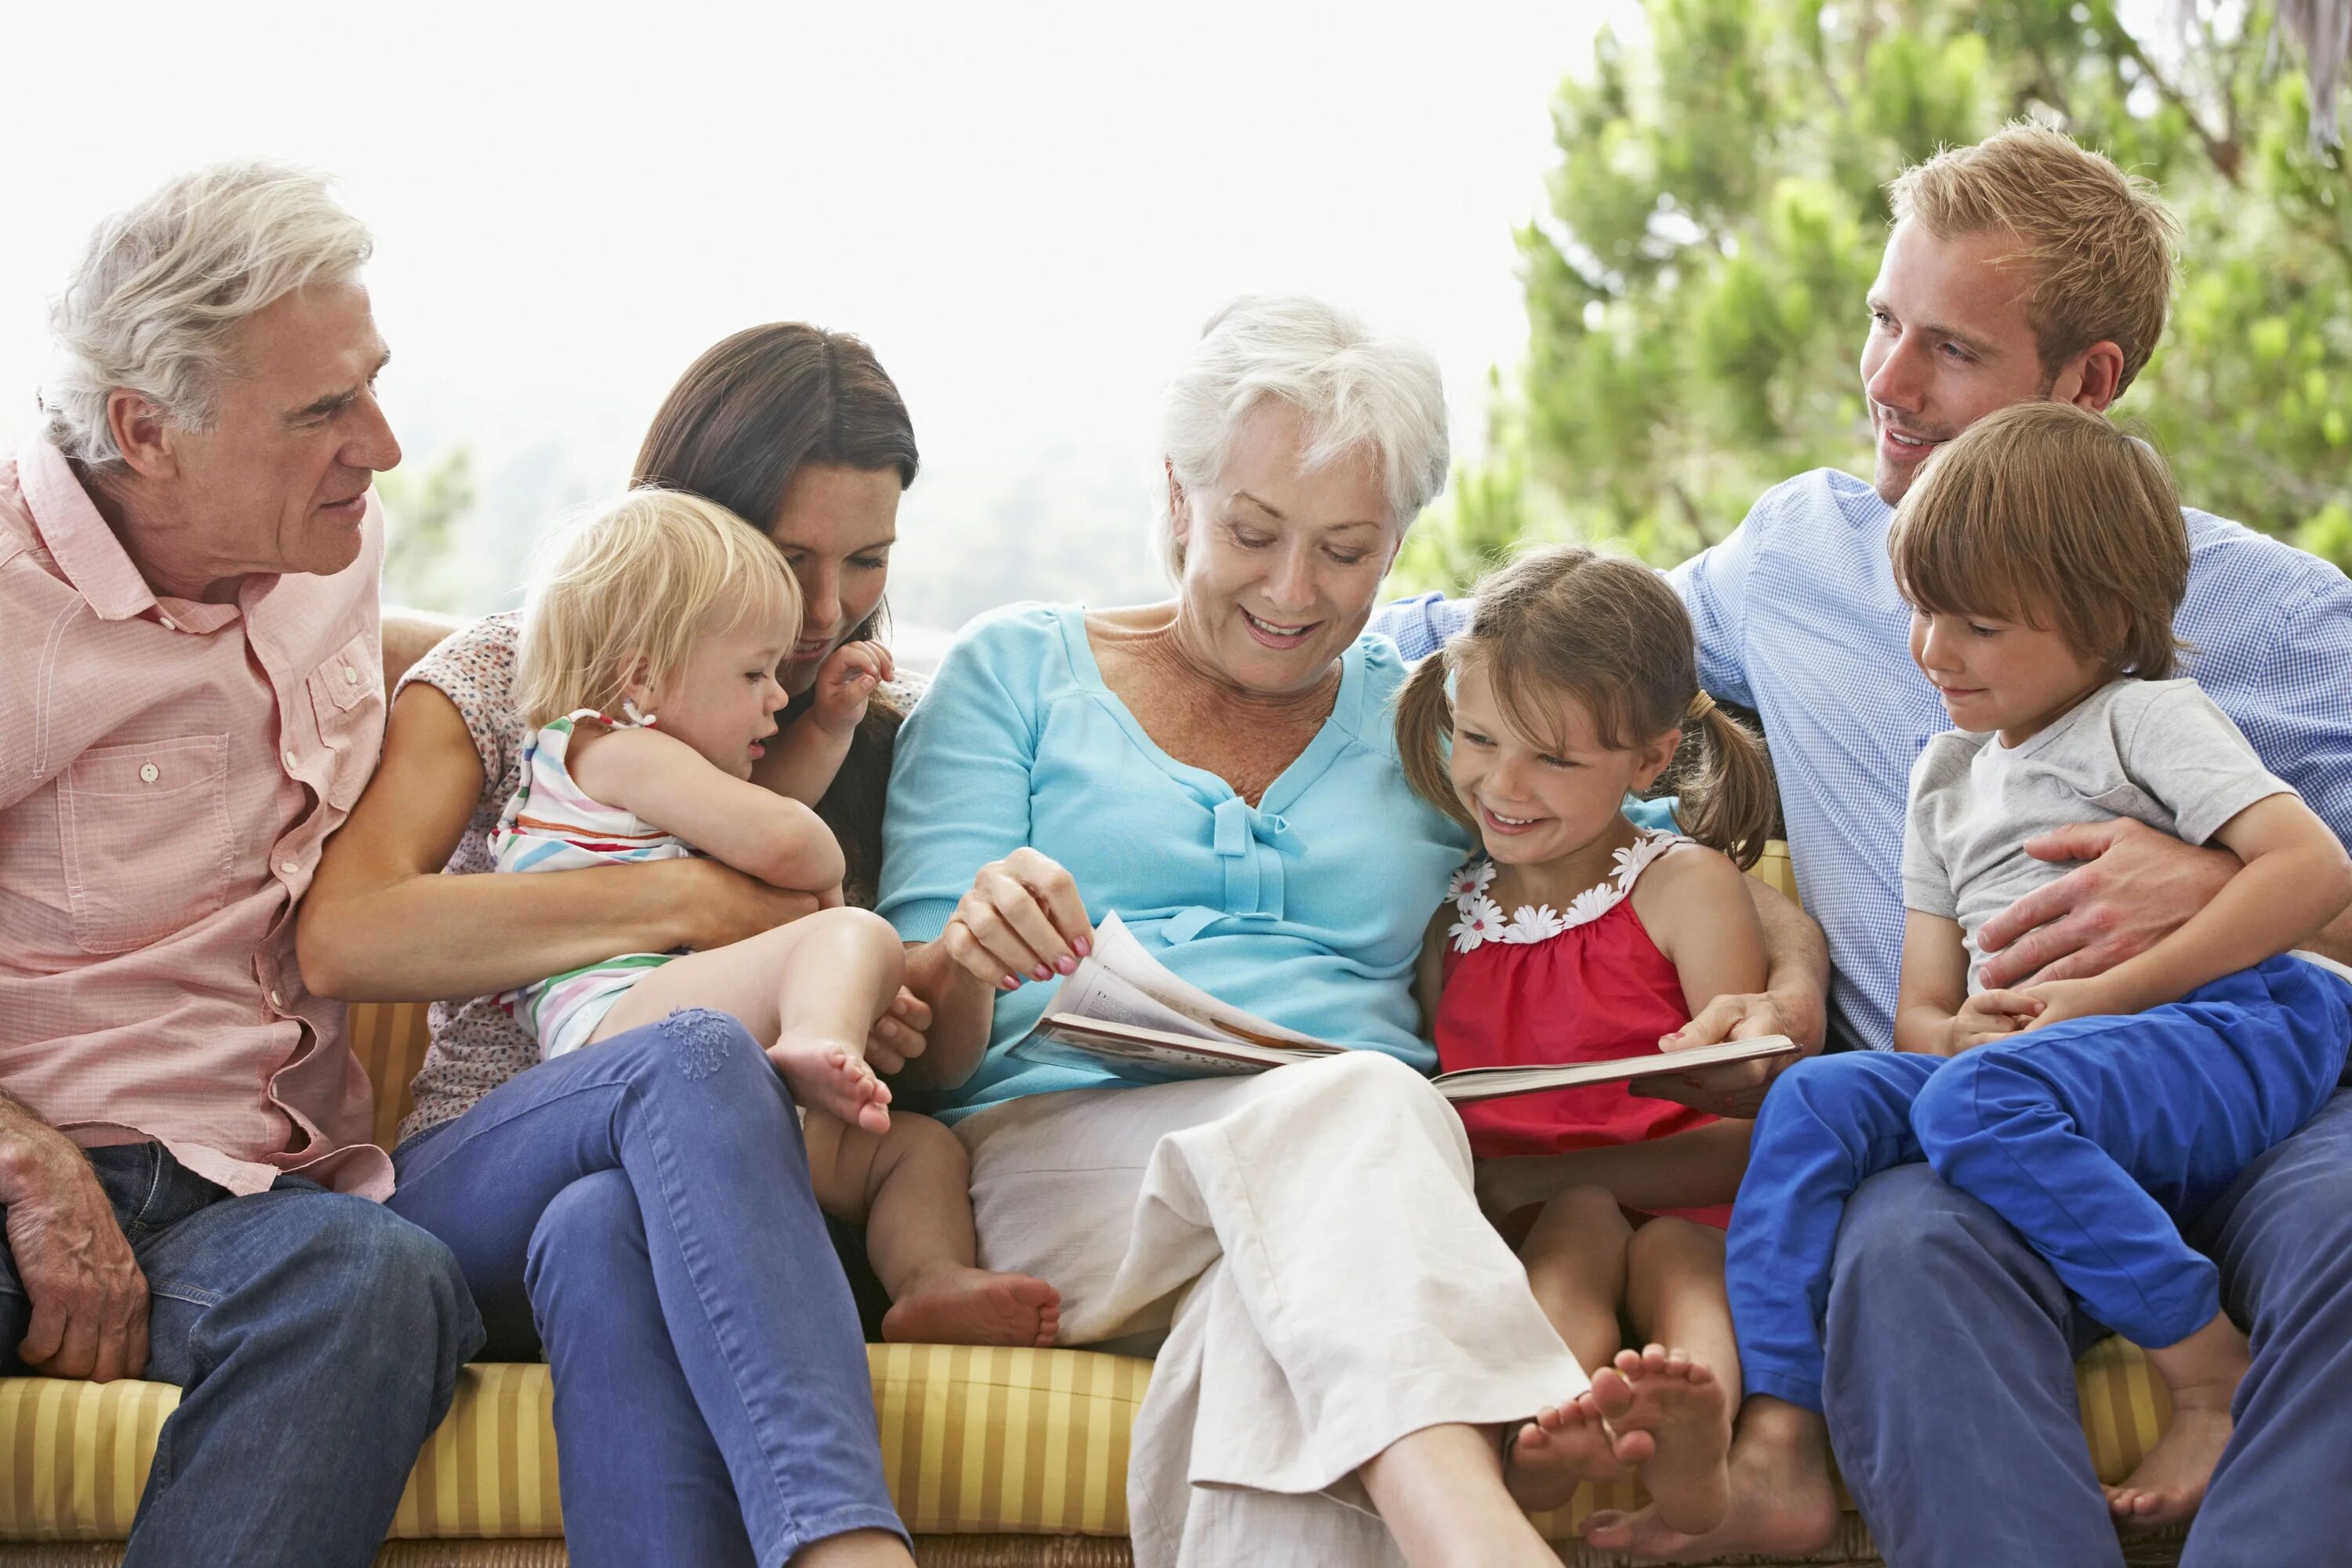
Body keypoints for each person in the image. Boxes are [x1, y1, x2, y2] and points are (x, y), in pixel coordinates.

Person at [1377, 124, 2352, 1566]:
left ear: (2090, 383)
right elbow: (1516, 642)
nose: (1887, 384)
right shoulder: (1800, 559)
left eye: (1950, 349)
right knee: (1898, 1257)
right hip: (1972, 1111)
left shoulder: (2289, 620)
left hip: (2261, 1100)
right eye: (1885, 321)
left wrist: (2226, 890)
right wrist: (1227, 637)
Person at [877, 295, 1832, 1568]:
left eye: (1344, 550)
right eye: (1254, 533)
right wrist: (965, 951)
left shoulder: (1439, 723)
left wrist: (1794, 980)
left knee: (1262, 1347)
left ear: (1399, 544)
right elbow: (927, 1064)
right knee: (1372, 1102)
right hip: (1070, 1170)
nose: (1292, 591)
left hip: (1361, 1214)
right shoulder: (1017, 675)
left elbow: (1644, 843)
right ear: (1178, 497)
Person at [300, 325, 930, 1568]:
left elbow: (847, 970)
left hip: (708, 1201)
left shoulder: (836, 723)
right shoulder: (515, 671)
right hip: (483, 1162)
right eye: (790, 554)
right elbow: (346, 932)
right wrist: (691, 904)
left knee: (601, 1228)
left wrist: (888, 1002)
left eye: (864, 562)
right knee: (689, 1059)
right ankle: (848, 1547)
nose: (820, 609)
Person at [1726, 400, 2352, 1548]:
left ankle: (2206, 1374)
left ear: (2104, 622)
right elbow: (1924, 1004)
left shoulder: (2147, 719)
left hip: (2228, 1031)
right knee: (1816, 1099)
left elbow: (2308, 869)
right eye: (1919, 611)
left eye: (1978, 625)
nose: (1931, 652)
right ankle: (1779, 1426)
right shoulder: (1946, 775)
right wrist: (1952, 1038)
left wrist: (2101, 998)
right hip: (2046, 1070)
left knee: (1985, 1101)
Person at [0, 162, 481, 1567]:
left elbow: (475, 674)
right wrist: (26, 1164)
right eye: (324, 410)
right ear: (146, 429)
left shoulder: (337, 550)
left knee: (381, 1282)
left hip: (253, 1200)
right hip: (18, 1157)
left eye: (372, 385)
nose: (381, 447)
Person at [492, 486, 1058, 1346]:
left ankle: (932, 1279)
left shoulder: (665, 785)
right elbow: (788, 842)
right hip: (619, 1039)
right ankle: (815, 1043)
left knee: (916, 1151)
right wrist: (832, 912)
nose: (773, 698)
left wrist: (831, 722)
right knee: (855, 932)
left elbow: (758, 815)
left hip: (715, 1070)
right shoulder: (609, 748)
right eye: (753, 674)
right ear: (641, 677)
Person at [1392, 543, 1785, 1541]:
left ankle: (1694, 1421)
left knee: (1668, 1254)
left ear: (1651, 759)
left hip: (1688, 1208)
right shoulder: (1451, 921)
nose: (1503, 783)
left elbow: (1753, 1129)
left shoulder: (1682, 888)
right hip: (1522, 1235)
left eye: (1555, 758)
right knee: (1573, 1238)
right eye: (1477, 738)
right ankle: (1553, 1424)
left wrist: (1575, 1179)